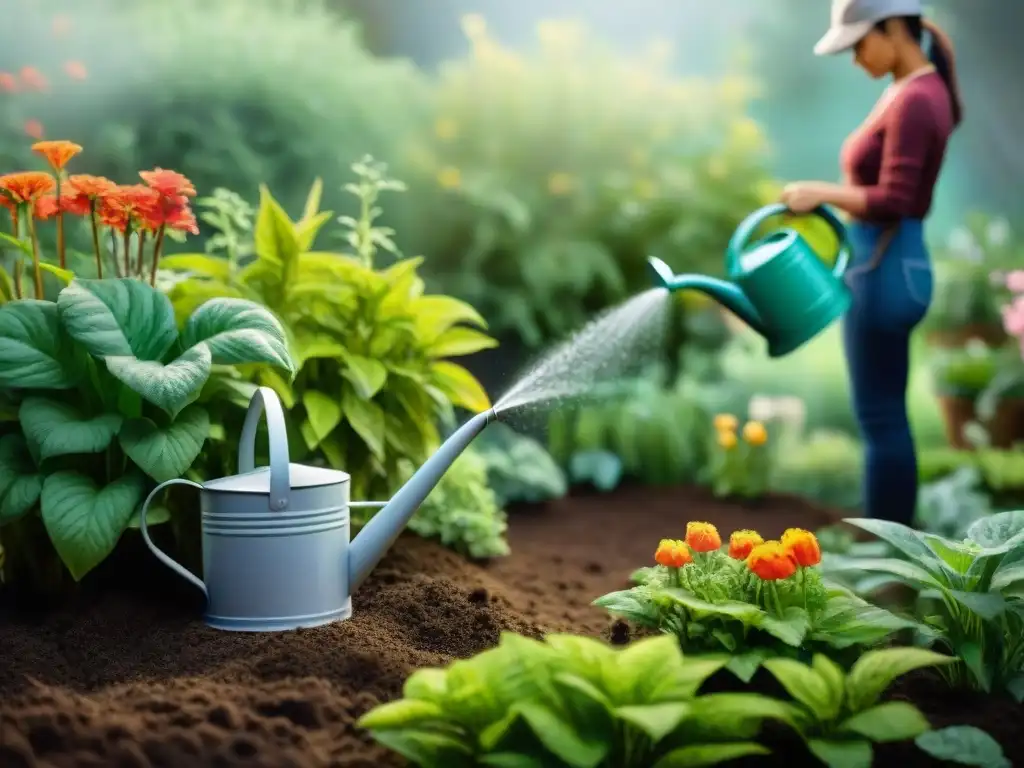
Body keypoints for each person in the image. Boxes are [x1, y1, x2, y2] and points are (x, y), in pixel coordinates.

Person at [779, 0, 962, 527]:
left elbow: (896, 198)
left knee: (880, 419)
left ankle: (887, 561)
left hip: (886, 264)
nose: (856, 58)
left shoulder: (917, 99)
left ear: (894, 29)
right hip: (891, 262)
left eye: (859, 44)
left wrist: (822, 193)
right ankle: (888, 553)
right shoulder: (909, 91)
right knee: (884, 417)